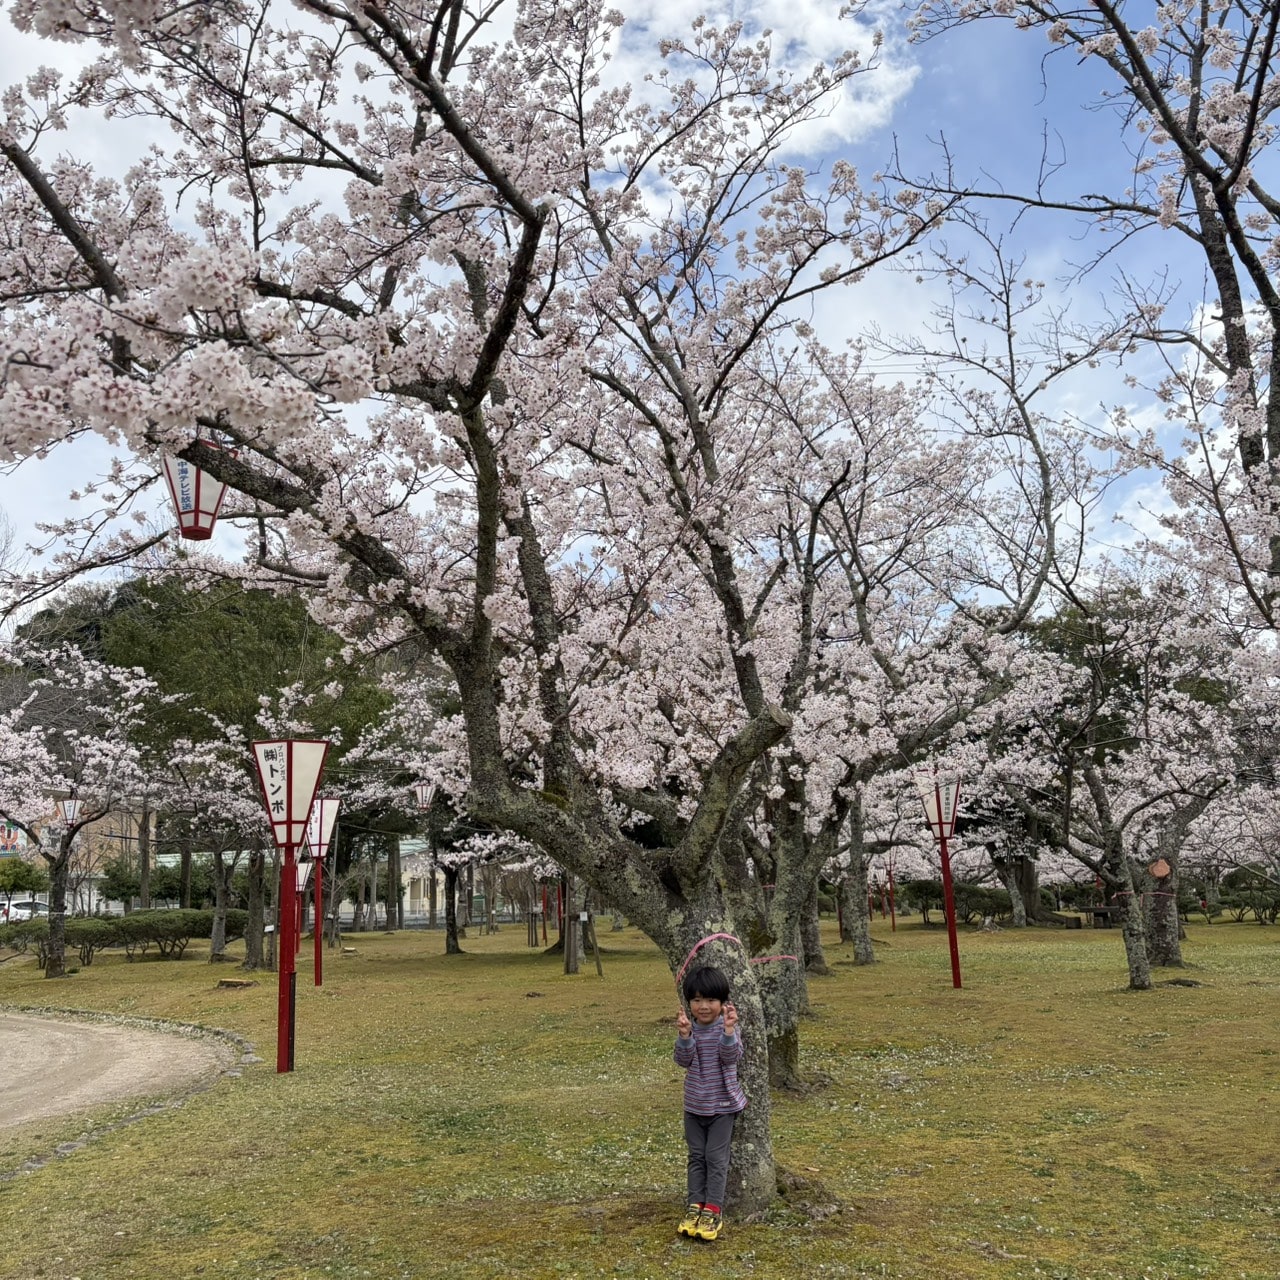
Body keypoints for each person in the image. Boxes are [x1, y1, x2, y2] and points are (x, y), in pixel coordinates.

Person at [673, 964, 747, 1242]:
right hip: (693, 1106)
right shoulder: (689, 1029)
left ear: (722, 1003)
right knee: (696, 1156)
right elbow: (683, 1061)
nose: (703, 1006)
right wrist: (684, 1036)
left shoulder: (726, 1028)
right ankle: (695, 1205)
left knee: (715, 1159)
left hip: (722, 1108)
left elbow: (731, 1057)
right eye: (696, 1000)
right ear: (689, 1003)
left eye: (710, 1000)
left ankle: (713, 1209)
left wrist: (729, 1031)